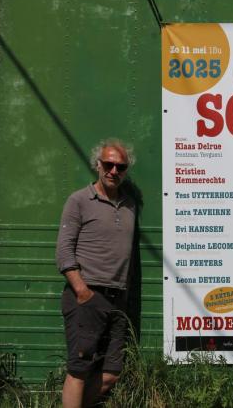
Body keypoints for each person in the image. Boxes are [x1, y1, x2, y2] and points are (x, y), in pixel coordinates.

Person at [56, 139, 137, 408]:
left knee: (111, 373)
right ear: (98, 165)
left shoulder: (129, 205)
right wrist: (82, 291)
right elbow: (64, 251)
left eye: (121, 167)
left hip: (118, 300)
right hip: (87, 295)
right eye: (109, 164)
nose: (114, 171)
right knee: (79, 370)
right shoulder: (79, 200)